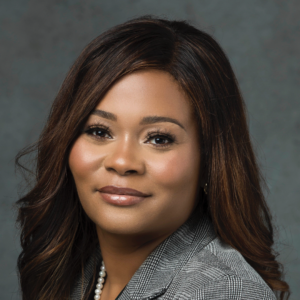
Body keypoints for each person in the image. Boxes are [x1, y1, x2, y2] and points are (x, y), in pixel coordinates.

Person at [15, 15, 290, 300]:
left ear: (210, 161)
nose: (121, 162)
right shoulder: (75, 271)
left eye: (159, 138)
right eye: (99, 131)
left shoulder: (224, 292)